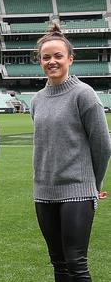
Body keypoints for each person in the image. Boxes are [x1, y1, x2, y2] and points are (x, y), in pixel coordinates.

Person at [31, 23, 110, 281]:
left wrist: (93, 185)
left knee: (76, 263)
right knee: (59, 264)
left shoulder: (84, 95)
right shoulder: (36, 100)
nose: (51, 61)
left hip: (77, 191)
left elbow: (102, 145)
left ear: (70, 59)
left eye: (58, 56)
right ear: (40, 61)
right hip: (44, 192)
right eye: (46, 57)